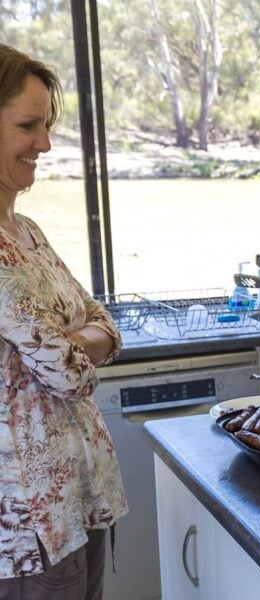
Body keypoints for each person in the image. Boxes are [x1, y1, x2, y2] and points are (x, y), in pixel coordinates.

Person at [0, 44, 127, 598]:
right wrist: (74, 342)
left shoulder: (25, 232)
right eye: (28, 125)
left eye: (46, 125)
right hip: (27, 528)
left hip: (78, 501)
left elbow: (106, 324)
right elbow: (67, 375)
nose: (45, 144)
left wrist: (72, 338)